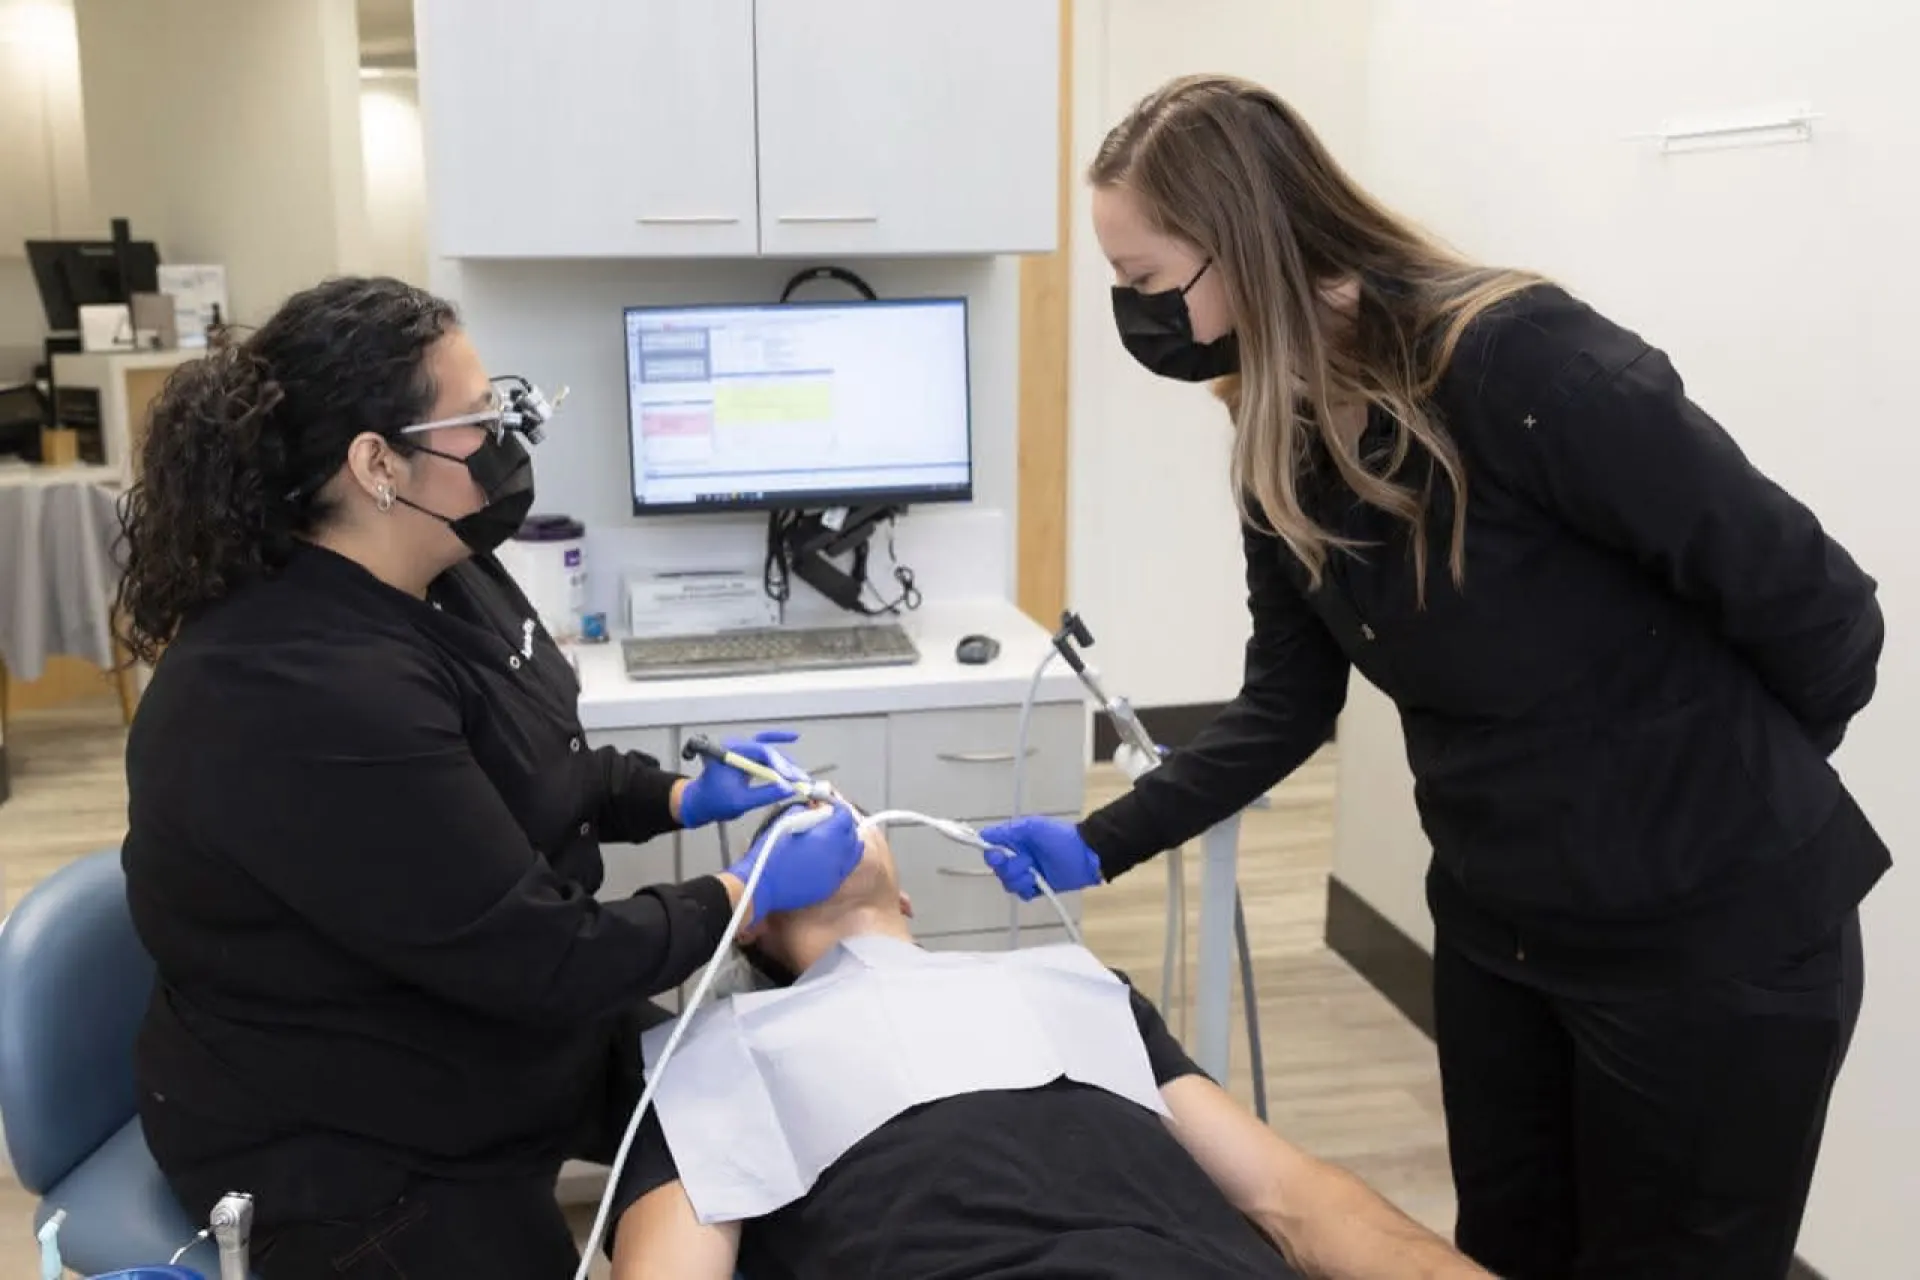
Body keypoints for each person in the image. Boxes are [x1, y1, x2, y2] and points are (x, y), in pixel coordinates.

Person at [978, 74, 1887, 1280]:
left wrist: (1711, 793)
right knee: (1501, 1250)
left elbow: (1825, 613)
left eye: (1143, 278)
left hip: (1712, 946)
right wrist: (1102, 840)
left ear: (1241, 241)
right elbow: (1288, 701)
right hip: (1506, 931)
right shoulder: (1281, 433)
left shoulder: (1520, 365)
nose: (1134, 313)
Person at [114, 276, 867, 1279]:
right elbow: (543, 953)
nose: (509, 440)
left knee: (766, 1123)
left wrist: (678, 796)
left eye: (507, 406)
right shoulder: (296, 687)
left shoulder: (440, 566)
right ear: (377, 463)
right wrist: (744, 894)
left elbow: (534, 762)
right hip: (343, 1127)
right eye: (478, 420)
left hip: (487, 1017)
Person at [608, 802, 1488, 1280]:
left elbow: (1296, 1199)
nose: (820, 810)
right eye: (788, 827)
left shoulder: (1071, 985)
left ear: (906, 897)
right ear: (750, 921)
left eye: (842, 808)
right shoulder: (713, 1054)